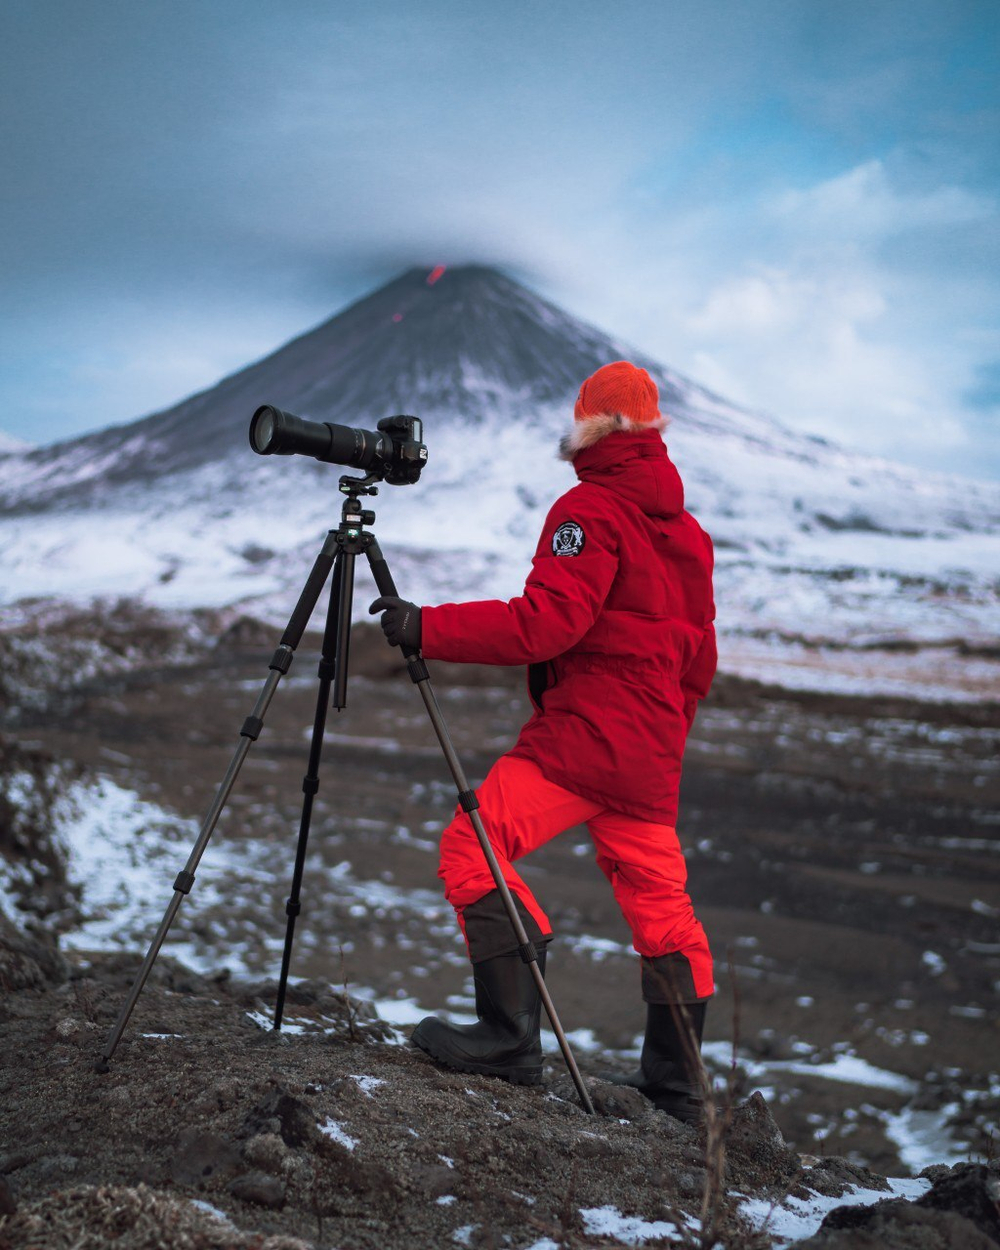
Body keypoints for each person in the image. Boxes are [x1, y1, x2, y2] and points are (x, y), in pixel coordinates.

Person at [371, 360, 717, 1123]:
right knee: (664, 910)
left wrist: (426, 624)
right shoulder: (688, 532)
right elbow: (701, 661)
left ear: (589, 424)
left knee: (473, 845)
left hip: (585, 738)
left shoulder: (588, 510)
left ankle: (508, 1035)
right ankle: (681, 1091)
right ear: (653, 430)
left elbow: (545, 623)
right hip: (648, 752)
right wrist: (659, 734)